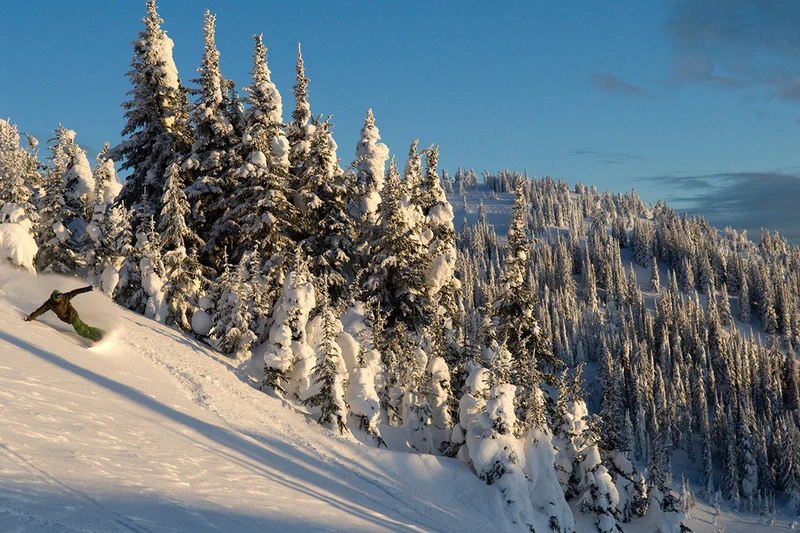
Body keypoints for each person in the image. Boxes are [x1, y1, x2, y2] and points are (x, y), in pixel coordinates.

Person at [24, 286, 105, 342]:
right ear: (54, 297)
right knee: (85, 327)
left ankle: (96, 338)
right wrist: (30, 317)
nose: (60, 299)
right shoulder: (49, 304)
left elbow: (75, 292)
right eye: (58, 297)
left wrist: (85, 289)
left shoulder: (65, 297)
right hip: (68, 318)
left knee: (81, 330)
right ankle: (101, 333)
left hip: (72, 315)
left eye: (60, 296)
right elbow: (39, 311)